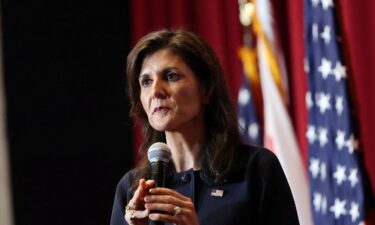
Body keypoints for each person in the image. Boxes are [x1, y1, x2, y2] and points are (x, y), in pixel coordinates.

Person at [110, 29, 299, 225]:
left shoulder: (257, 169)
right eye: (146, 82)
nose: (156, 91)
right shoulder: (131, 189)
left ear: (206, 89)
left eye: (171, 76)